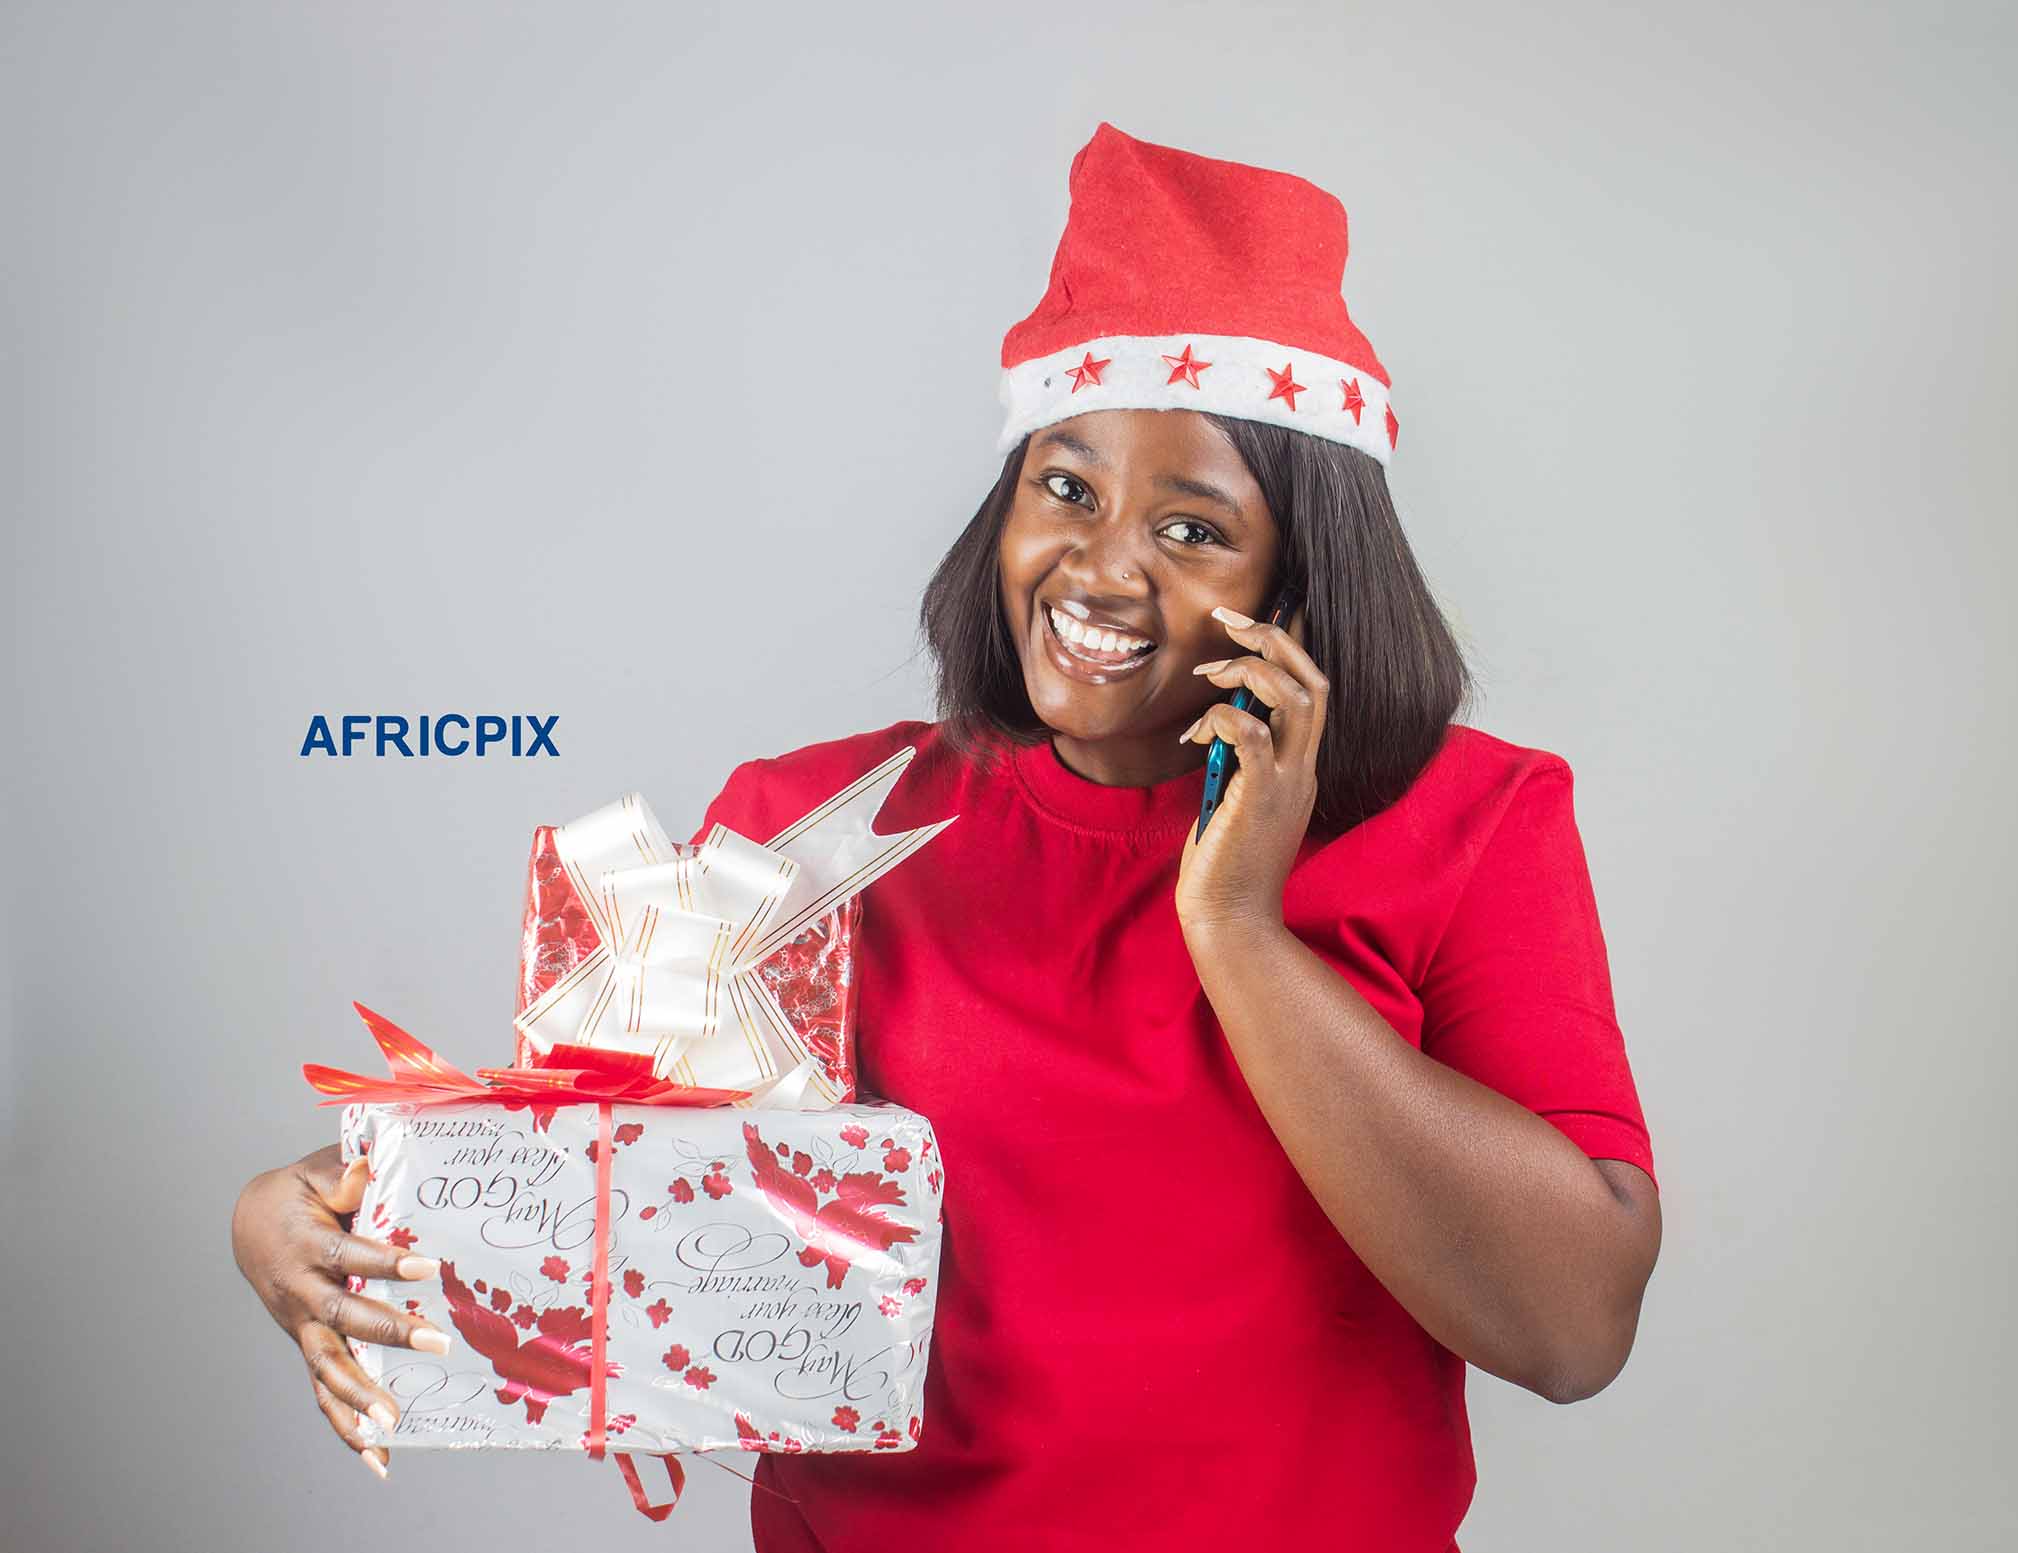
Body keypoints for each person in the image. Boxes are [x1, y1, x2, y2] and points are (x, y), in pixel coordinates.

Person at [233, 121, 1661, 1552]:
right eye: (1066, 487)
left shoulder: (1472, 821)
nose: (1100, 566)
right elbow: (599, 1193)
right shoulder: (810, 823)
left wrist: (1233, 927)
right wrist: (308, 1209)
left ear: (1301, 582)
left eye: (1192, 527)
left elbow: (1569, 1325)